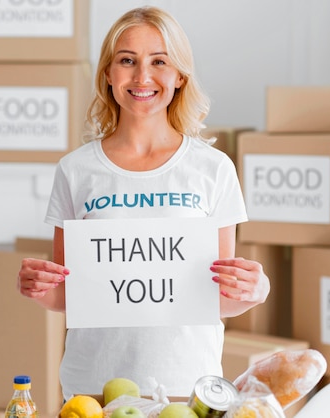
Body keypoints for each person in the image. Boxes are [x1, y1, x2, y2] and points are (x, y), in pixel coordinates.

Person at [17, 6, 270, 399]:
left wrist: (256, 290)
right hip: (93, 389)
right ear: (108, 73)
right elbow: (71, 295)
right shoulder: (76, 170)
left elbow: (217, 300)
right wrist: (38, 288)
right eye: (127, 61)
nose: (142, 76)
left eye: (159, 61)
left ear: (179, 76)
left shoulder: (213, 169)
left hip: (186, 386)